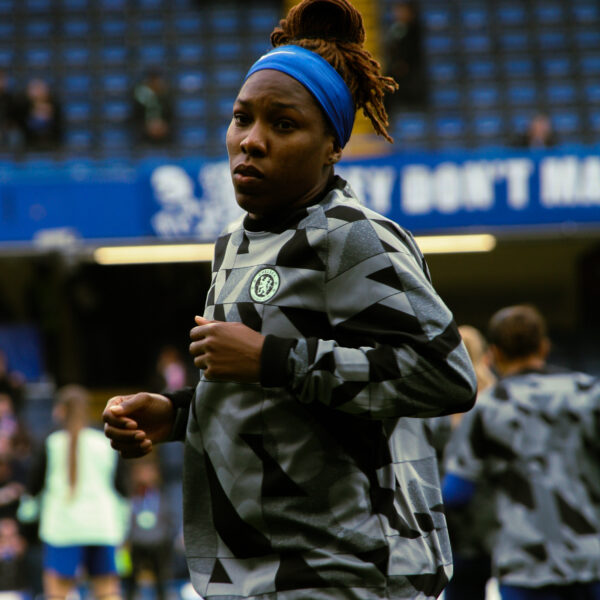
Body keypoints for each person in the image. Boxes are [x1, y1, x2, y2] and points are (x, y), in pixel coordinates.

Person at [103, 1, 477, 598]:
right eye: (241, 118)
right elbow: (274, 397)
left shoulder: (352, 236)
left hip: (341, 570)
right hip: (254, 574)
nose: (250, 141)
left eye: (282, 124)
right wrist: (178, 413)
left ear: (331, 144)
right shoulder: (234, 245)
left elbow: (447, 376)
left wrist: (274, 358)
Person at [443, 305, 600, 600]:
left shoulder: (488, 408)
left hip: (525, 567)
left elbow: (456, 493)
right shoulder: (588, 392)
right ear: (544, 346)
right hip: (592, 562)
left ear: (496, 353)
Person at [27, 385, 128, 600]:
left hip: (62, 530)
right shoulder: (105, 441)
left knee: (57, 592)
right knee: (107, 591)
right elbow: (122, 487)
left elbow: (34, 486)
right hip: (102, 527)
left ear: (60, 410)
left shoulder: (51, 441)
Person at [442, 325, 497, 600]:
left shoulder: (438, 404)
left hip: (456, 529)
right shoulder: (501, 401)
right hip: (503, 526)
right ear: (486, 355)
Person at [124, 457, 175, 600]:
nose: (144, 475)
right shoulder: (130, 497)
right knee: (130, 581)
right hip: (135, 544)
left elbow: (169, 520)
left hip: (158, 544)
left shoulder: (161, 496)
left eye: (148, 471)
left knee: (162, 583)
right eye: (140, 472)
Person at [383, 1, 427, 113]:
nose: (398, 14)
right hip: (396, 73)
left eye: (402, 11)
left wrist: (403, 65)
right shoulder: (395, 29)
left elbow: (412, 53)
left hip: (410, 77)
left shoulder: (415, 30)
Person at [13, 78, 63, 151]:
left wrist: (48, 114)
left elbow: (58, 127)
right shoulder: (23, 106)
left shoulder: (54, 105)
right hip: (28, 142)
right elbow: (19, 123)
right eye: (35, 89)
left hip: (51, 142)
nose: (38, 92)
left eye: (40, 89)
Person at [131, 68, 174, 147]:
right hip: (144, 132)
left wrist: (164, 126)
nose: (156, 83)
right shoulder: (139, 96)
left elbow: (170, 115)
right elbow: (135, 116)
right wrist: (147, 127)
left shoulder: (166, 96)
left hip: (164, 131)